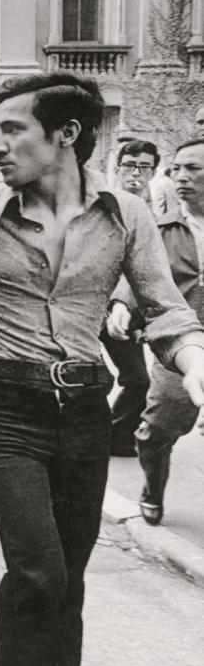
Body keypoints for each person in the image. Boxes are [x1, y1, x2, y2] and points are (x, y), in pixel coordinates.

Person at [0, 74, 204, 666]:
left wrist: (193, 363)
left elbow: (164, 311)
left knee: (67, 584)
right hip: (10, 411)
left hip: (83, 410)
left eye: (11, 129)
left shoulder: (127, 215)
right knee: (37, 574)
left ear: (66, 135)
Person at [108, 137, 204, 525]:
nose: (181, 177)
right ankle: (153, 485)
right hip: (177, 342)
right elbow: (139, 273)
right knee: (155, 430)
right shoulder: (163, 228)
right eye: (175, 169)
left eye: (193, 168)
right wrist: (120, 304)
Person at [101, 139, 162, 457]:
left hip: (126, 312)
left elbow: (146, 271)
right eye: (129, 165)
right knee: (91, 380)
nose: (135, 173)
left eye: (144, 167)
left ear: (153, 172)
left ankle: (114, 437)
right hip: (91, 306)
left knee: (138, 380)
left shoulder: (152, 213)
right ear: (117, 168)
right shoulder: (102, 205)